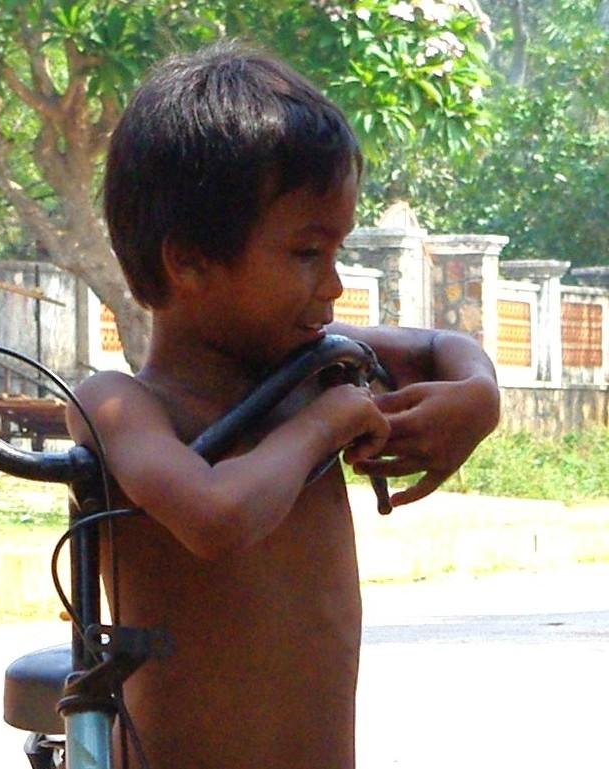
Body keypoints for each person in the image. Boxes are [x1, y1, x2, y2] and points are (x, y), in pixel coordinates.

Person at [67, 39, 500, 769]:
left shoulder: (314, 358)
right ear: (190, 260)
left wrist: (477, 399)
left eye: (337, 252)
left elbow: (438, 349)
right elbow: (214, 517)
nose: (332, 287)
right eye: (307, 253)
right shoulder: (121, 405)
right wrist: (327, 420)